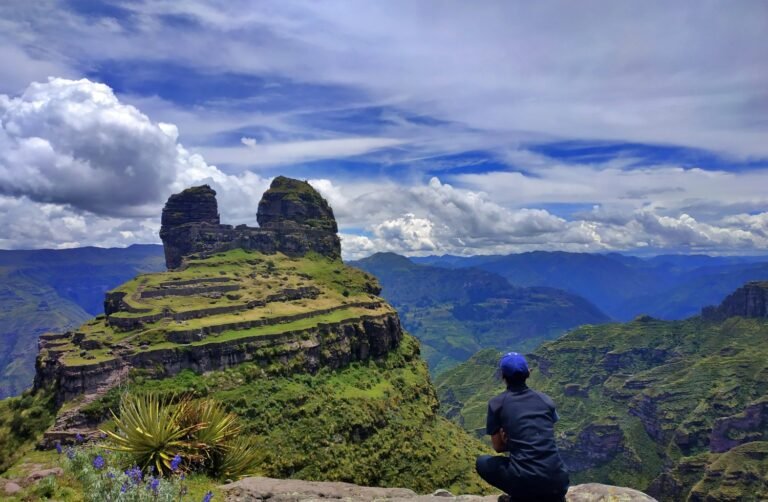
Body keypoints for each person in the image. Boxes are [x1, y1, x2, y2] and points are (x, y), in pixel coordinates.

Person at [475, 352, 569, 502]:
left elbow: (498, 447)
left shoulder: (496, 404)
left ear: (502, 376)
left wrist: (510, 441)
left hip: (525, 483)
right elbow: (543, 435)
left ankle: (519, 496)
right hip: (558, 482)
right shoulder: (546, 400)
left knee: (482, 462)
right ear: (529, 373)